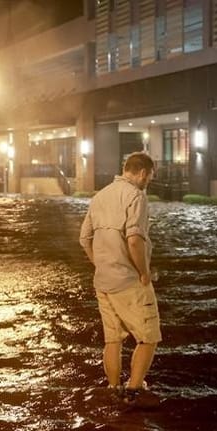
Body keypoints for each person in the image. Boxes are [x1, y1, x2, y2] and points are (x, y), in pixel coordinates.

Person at [79, 151, 161, 408]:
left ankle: (113, 389)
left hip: (103, 281)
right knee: (148, 337)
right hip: (128, 281)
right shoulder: (136, 196)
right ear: (143, 173)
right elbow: (134, 240)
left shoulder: (100, 196)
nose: (148, 182)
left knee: (113, 339)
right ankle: (134, 391)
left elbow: (84, 238)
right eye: (150, 177)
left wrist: (100, 264)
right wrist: (144, 272)